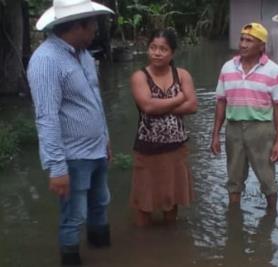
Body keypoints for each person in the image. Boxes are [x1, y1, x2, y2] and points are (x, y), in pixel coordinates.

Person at [27, 0, 114, 265]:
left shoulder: (84, 55)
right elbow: (46, 117)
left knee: (101, 203)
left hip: (97, 148)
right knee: (73, 216)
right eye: (92, 26)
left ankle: (105, 253)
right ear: (78, 26)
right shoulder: (46, 60)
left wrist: (106, 137)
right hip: (72, 157)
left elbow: (95, 99)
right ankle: (71, 259)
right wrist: (57, 168)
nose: (95, 32)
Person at [210, 22, 278, 213]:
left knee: (267, 178)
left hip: (261, 130)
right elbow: (221, 102)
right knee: (234, 178)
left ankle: (272, 215)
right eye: (242, 39)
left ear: (261, 46)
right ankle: (234, 216)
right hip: (234, 128)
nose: (243, 44)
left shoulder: (274, 71)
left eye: (249, 41)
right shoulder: (228, 68)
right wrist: (215, 135)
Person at [130, 29, 197, 226]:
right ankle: (144, 248)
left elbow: (192, 105)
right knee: (144, 202)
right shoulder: (140, 77)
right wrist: (178, 98)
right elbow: (148, 106)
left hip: (176, 148)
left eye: (163, 49)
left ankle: (170, 245)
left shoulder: (182, 74)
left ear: (172, 53)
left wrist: (161, 106)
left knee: (172, 200)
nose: (157, 53)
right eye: (153, 47)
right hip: (147, 148)